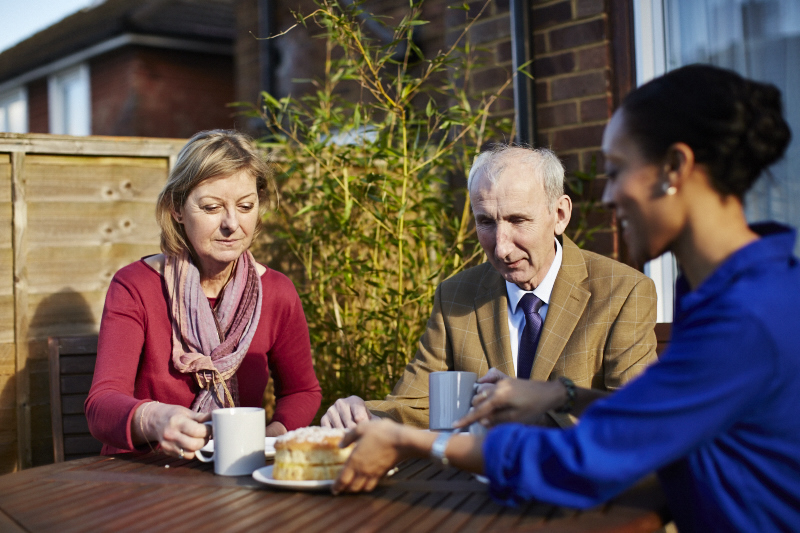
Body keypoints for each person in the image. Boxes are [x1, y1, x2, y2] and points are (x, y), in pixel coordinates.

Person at [332, 64, 800, 532]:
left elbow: (599, 453)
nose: (610, 195)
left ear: (674, 168)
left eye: (616, 171)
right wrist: (562, 393)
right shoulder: (727, 291)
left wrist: (420, 444)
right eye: (486, 222)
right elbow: (648, 415)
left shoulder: (746, 318)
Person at [322, 145, 658, 430]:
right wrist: (364, 413)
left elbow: (637, 417)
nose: (501, 248)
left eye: (517, 221)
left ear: (560, 214)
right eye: (486, 222)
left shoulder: (622, 292)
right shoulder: (457, 295)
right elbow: (416, 403)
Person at [86, 130, 322, 458]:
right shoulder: (135, 286)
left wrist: (268, 439)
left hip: (237, 471)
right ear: (177, 209)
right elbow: (101, 407)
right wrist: (155, 419)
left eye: (245, 206)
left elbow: (302, 390)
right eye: (212, 207)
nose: (232, 223)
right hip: (143, 476)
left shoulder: (278, 293)